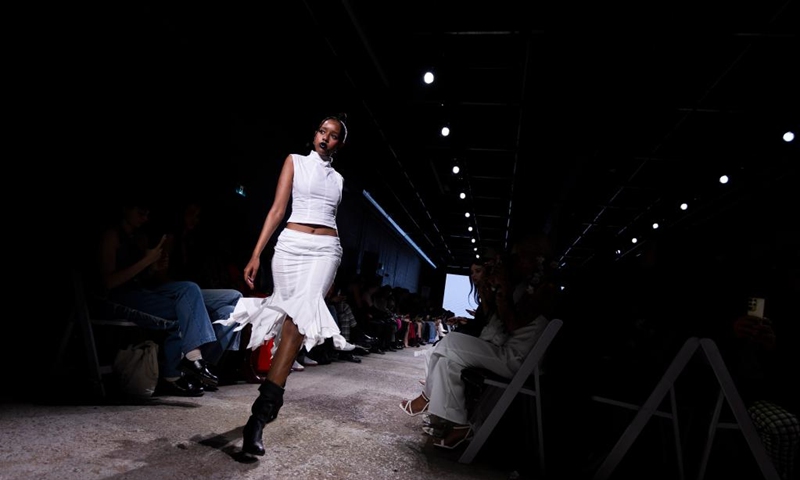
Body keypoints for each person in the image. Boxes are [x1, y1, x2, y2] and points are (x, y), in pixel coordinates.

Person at [214, 113, 356, 457]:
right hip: (290, 246)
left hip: (325, 249)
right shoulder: (294, 161)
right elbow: (278, 210)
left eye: (333, 135)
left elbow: (332, 217)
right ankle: (272, 398)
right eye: (322, 131)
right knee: (287, 319)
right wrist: (256, 252)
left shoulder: (338, 180)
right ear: (315, 134)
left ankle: (257, 419)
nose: (325, 137)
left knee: (299, 321)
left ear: (340, 144)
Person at [398, 232, 559, 449]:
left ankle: (427, 397)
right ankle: (458, 424)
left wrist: (503, 290)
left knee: (449, 342)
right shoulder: (523, 286)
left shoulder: (545, 290)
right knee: (447, 361)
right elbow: (500, 319)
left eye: (522, 256)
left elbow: (512, 325)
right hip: (503, 351)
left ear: (538, 259)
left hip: (518, 360)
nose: (517, 261)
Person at [94, 193, 227, 397]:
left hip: (140, 292)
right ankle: (177, 371)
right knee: (183, 310)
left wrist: (153, 267)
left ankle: (191, 359)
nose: (144, 218)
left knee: (189, 291)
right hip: (116, 297)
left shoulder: (139, 237)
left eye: (147, 214)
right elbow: (108, 282)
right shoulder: (111, 235)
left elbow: (143, 276)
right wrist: (147, 262)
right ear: (125, 210)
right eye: (140, 213)